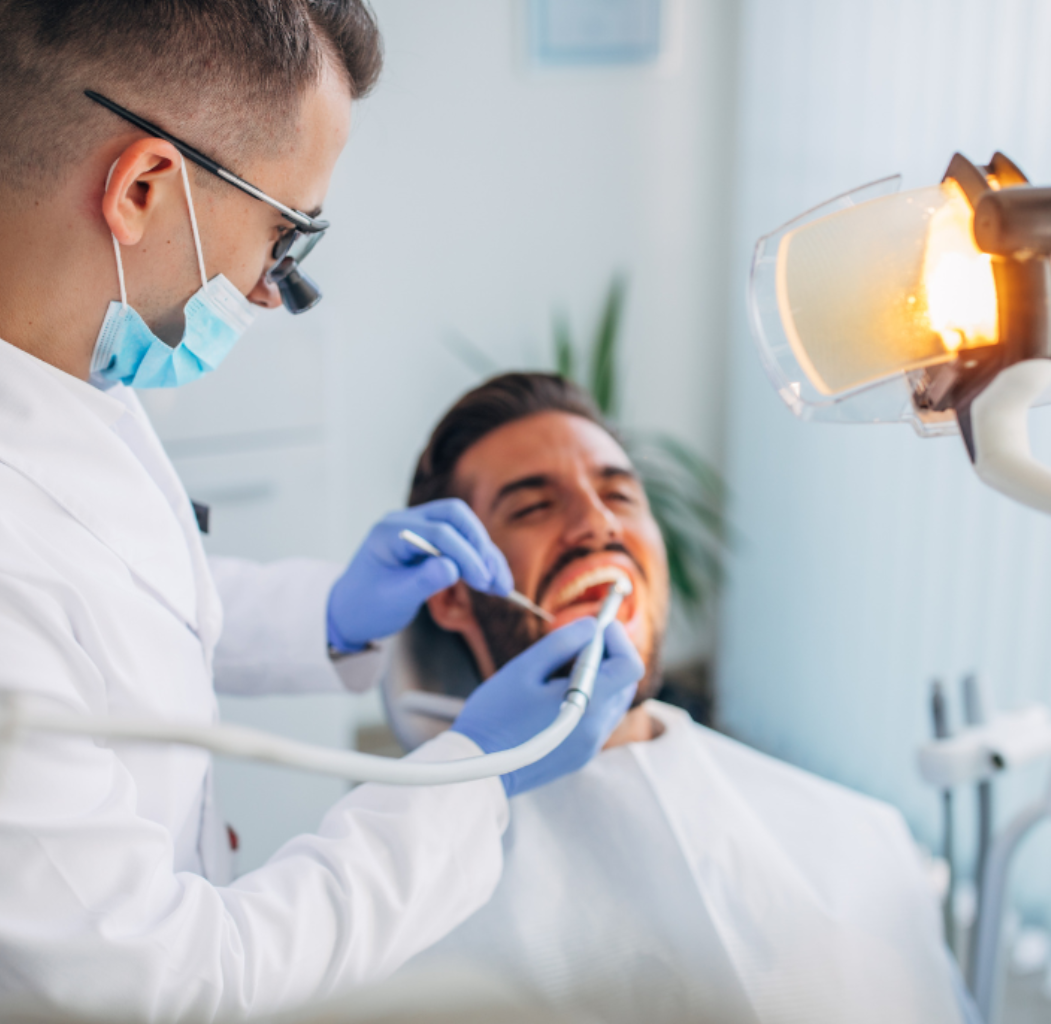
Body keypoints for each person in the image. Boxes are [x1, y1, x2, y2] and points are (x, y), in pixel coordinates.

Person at [0, 5, 641, 1023]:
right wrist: (471, 779)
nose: (270, 291)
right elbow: (170, 987)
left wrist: (327, 617)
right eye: (285, 235)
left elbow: (81, 607)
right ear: (140, 188)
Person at [383, 373, 967, 1024]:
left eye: (619, 495)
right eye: (533, 508)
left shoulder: (864, 841)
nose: (597, 524)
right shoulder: (402, 927)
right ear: (453, 596)